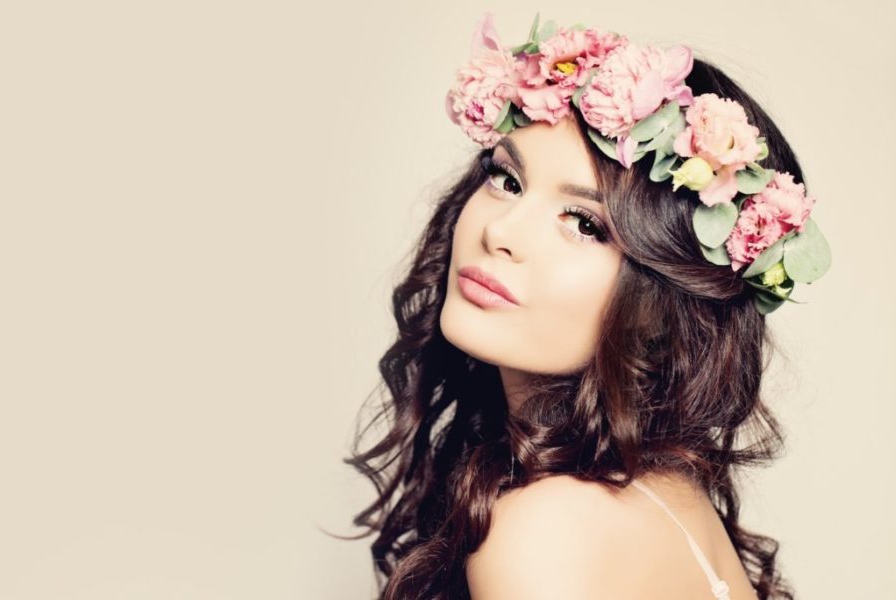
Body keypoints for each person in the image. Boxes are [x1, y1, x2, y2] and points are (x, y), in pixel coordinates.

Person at [340, 12, 831, 600]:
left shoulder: (545, 528)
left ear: (667, 298)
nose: (502, 232)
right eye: (507, 180)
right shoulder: (666, 491)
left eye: (584, 223)